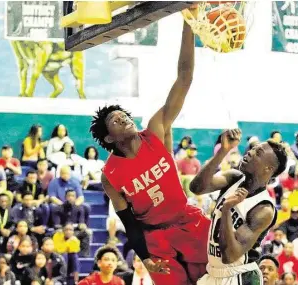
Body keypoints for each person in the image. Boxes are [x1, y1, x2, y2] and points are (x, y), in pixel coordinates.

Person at [91, 10, 210, 285]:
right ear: (109, 138)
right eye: (115, 121)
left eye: (123, 114)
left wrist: (189, 23)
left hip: (188, 220)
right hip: (155, 238)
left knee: (217, 278)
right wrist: (144, 256)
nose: (122, 117)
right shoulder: (110, 175)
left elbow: (184, 78)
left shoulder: (155, 130)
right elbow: (128, 220)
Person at [190, 130, 288, 285]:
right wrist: (222, 151)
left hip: (240, 277)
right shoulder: (234, 177)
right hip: (214, 272)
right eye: (252, 149)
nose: (250, 152)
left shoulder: (263, 208)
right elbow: (196, 187)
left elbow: (229, 255)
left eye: (258, 153)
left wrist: (227, 209)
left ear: (268, 169)